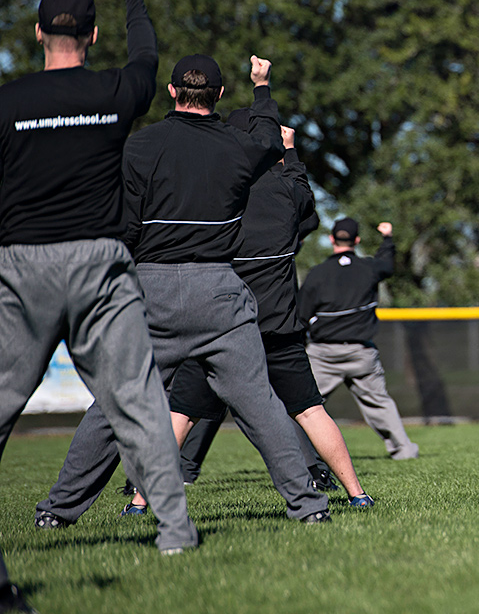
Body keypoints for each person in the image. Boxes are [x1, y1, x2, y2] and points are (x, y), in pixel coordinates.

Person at [36, 53, 329, 527]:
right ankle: (310, 507)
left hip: (151, 291)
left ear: (172, 92)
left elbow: (122, 226)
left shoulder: (139, 146)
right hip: (219, 291)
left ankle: (57, 511)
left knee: (115, 406)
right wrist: (261, 87)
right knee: (261, 407)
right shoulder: (239, 147)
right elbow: (269, 137)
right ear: (216, 96)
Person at [0, 0, 196, 614]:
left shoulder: (8, 103)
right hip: (100, 267)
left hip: (21, 266)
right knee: (138, 400)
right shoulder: (115, 90)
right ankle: (175, 534)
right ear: (90, 33)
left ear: (36, 33)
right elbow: (148, 55)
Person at [127, 119, 373, 510]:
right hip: (278, 325)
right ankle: (358, 495)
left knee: (181, 414)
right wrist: (290, 155)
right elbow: (307, 207)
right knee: (310, 411)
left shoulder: (219, 193)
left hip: (221, 324)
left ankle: (141, 500)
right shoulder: (284, 194)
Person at [299, 218, 419, 460]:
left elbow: (301, 316)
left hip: (323, 354)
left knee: (302, 406)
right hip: (360, 352)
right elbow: (387, 265)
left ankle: (295, 454)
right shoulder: (368, 267)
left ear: (332, 239)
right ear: (357, 240)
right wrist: (387, 239)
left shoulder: (318, 273)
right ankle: (404, 450)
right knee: (379, 404)